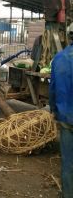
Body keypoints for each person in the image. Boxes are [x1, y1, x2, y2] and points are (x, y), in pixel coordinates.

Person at [49, 22, 73, 198]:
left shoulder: (58, 58)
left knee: (68, 162)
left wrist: (54, 111)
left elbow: (53, 89)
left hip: (66, 118)